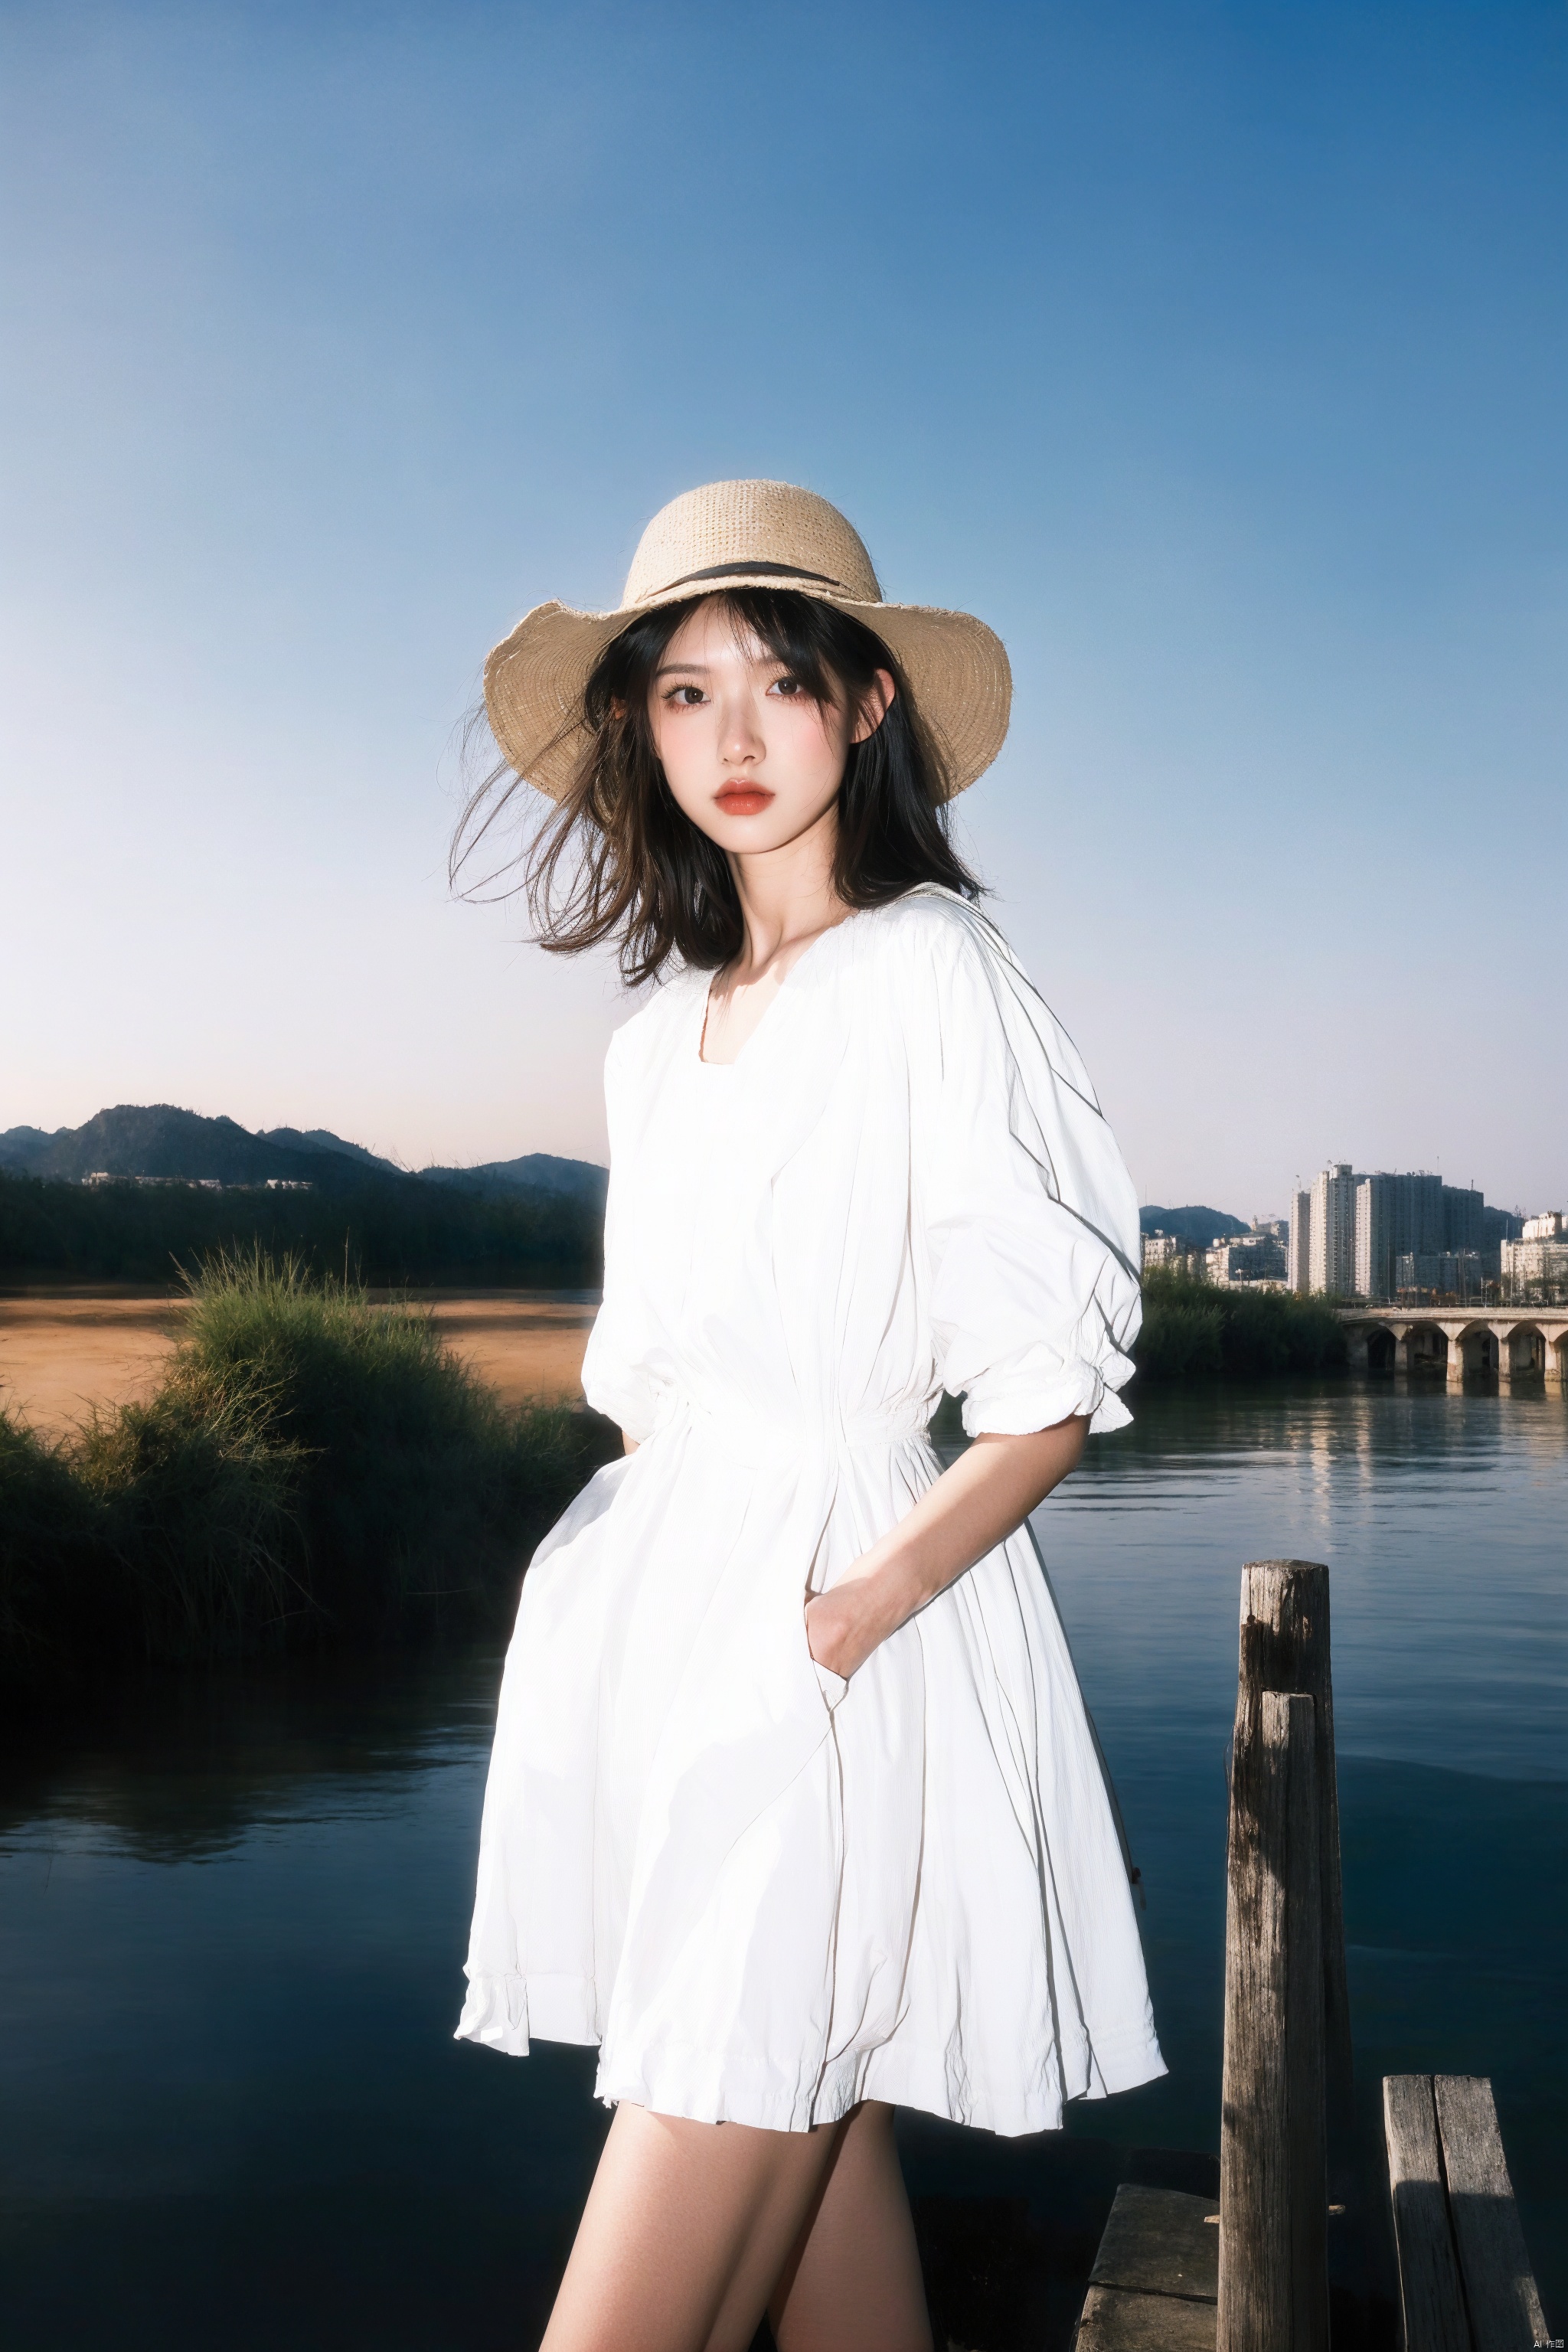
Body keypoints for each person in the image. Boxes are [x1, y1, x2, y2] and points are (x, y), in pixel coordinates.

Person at [452, 480, 1162, 2352]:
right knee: (816, 2168)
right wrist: (658, 1635)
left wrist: (833, 1633)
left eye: (780, 681)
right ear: (636, 730)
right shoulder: (648, 1044)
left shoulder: (933, 969)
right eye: (685, 694)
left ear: (865, 707)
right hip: (672, 1639)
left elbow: (1044, 1400)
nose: (736, 735)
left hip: (835, 1646)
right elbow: (656, 1399)